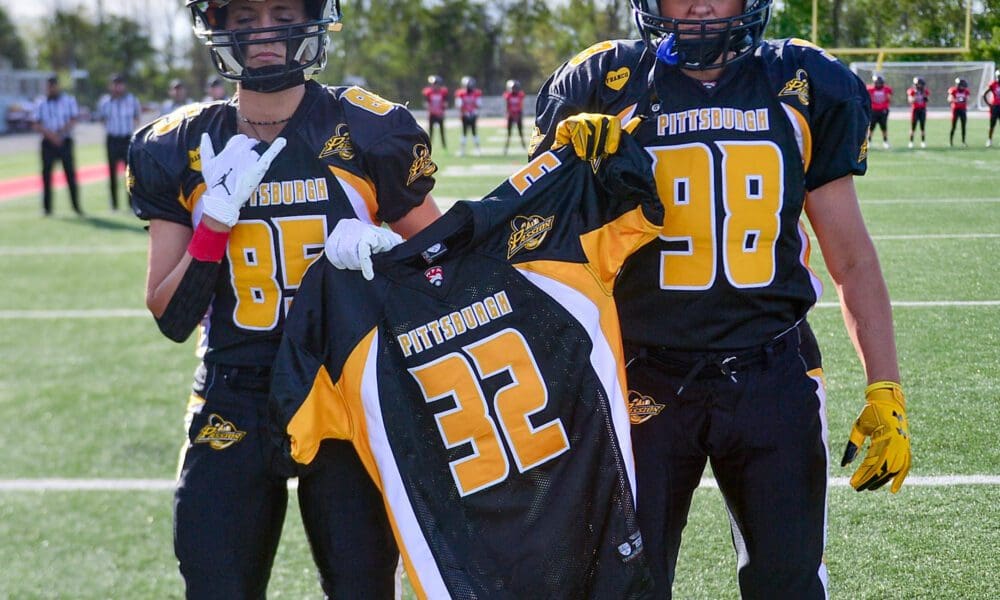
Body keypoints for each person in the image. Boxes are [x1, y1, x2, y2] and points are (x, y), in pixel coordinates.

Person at [530, 0, 912, 597]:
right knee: (623, 584)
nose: (702, 4)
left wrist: (884, 385)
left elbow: (853, 257)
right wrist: (569, 171)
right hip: (639, 376)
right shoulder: (604, 84)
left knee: (788, 583)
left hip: (772, 372)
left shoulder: (803, 84)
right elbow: (536, 247)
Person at [127, 0, 442, 597]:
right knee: (217, 584)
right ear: (216, 29)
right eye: (243, 18)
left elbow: (445, 273)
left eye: (281, 11)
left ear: (315, 18)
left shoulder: (366, 128)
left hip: (345, 386)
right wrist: (214, 222)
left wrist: (387, 257)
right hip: (234, 389)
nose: (264, 31)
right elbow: (171, 315)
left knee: (362, 584)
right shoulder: (180, 145)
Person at [269, 133, 662, 599]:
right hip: (595, 540)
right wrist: (604, 153)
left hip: (469, 576)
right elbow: (643, 201)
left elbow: (291, 435)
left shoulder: (347, 306)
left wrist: (328, 281)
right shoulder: (543, 236)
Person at [31, 75, 82, 217]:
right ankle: (47, 208)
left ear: (57, 86)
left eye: (53, 86)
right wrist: (51, 135)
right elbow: (35, 123)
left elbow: (73, 119)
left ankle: (76, 206)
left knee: (70, 175)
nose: (51, 89)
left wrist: (59, 134)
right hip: (48, 143)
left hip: (64, 141)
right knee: (46, 175)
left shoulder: (68, 101)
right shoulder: (40, 103)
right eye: (48, 86)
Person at [96, 74, 143, 211]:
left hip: (127, 138)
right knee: (111, 171)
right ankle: (114, 203)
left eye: (120, 83)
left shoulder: (132, 100)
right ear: (111, 86)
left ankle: (130, 202)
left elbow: (136, 118)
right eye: (115, 84)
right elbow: (101, 119)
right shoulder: (105, 102)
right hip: (112, 139)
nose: (117, 87)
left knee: (129, 172)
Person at [455, 75, 482, 156]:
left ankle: (477, 150)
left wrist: (472, 110)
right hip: (465, 115)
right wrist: (465, 112)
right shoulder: (461, 94)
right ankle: (463, 150)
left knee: (473, 133)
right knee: (464, 134)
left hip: (472, 114)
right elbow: (459, 105)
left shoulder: (476, 93)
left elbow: (479, 104)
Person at [422, 74, 448, 150]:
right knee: (431, 133)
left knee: (442, 132)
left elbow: (445, 104)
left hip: (440, 115)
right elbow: (426, 104)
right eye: (434, 84)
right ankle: (429, 148)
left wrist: (441, 112)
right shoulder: (428, 92)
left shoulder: (443, 92)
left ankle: (444, 147)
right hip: (432, 114)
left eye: (436, 84)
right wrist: (433, 110)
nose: (435, 86)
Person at [503, 78, 527, 155]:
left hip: (518, 114)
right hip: (511, 115)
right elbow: (507, 106)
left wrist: (519, 115)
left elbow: (521, 105)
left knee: (520, 132)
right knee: (509, 133)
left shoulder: (520, 95)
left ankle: (523, 146)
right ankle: (506, 147)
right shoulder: (508, 95)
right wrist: (509, 114)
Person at [867, 73, 892, 149]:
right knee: (871, 127)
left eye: (879, 82)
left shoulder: (887, 89)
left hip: (883, 111)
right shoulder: (870, 89)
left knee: (884, 127)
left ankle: (885, 141)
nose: (878, 84)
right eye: (876, 82)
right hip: (873, 110)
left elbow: (888, 99)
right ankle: (869, 141)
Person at [906, 76, 930, 148]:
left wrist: (924, 96)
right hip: (915, 110)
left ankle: (923, 142)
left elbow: (927, 100)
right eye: (918, 84)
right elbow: (910, 100)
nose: (920, 86)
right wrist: (916, 95)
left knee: (922, 127)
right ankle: (911, 142)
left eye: (921, 84)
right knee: (913, 128)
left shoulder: (925, 91)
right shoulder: (912, 91)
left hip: (922, 110)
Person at [948, 77, 971, 146]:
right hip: (955, 110)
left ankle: (963, 141)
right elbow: (949, 99)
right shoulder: (953, 90)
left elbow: (968, 99)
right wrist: (956, 100)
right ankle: (951, 142)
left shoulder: (966, 91)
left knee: (963, 126)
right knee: (953, 126)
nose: (963, 87)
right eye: (962, 85)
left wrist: (964, 100)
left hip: (963, 110)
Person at [984, 69, 1000, 147]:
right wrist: (989, 104)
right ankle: (989, 140)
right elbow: (984, 94)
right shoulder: (993, 84)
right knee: (992, 125)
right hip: (995, 107)